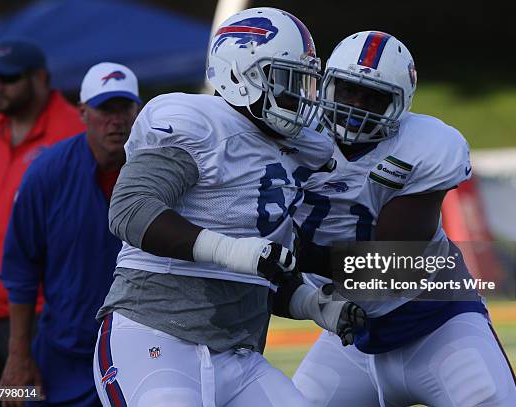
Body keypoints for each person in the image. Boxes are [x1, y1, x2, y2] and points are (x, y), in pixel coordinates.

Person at [93, 8, 364, 407]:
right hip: (155, 337)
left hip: (239, 355)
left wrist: (314, 304)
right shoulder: (200, 123)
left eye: (302, 82)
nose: (297, 96)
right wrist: (234, 251)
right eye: (286, 80)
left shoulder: (293, 149)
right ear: (241, 74)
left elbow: (263, 273)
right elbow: (130, 209)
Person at [292, 31, 516, 406]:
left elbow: (395, 266)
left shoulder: (426, 145)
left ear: (400, 105)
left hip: (437, 325)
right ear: (326, 85)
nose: (357, 105)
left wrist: (286, 254)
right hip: (351, 334)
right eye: (348, 90)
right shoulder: (294, 136)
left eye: (373, 97)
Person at [0, 62, 142, 406]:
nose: (116, 120)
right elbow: (20, 270)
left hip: (141, 353)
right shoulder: (46, 173)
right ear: (82, 112)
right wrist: (17, 357)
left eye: (124, 108)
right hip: (63, 354)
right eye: (104, 109)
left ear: (138, 111)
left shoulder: (163, 173)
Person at [0, 39, 84, 396]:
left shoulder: (71, 131)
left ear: (40, 78)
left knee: (28, 400)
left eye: (9, 78)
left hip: (40, 315)